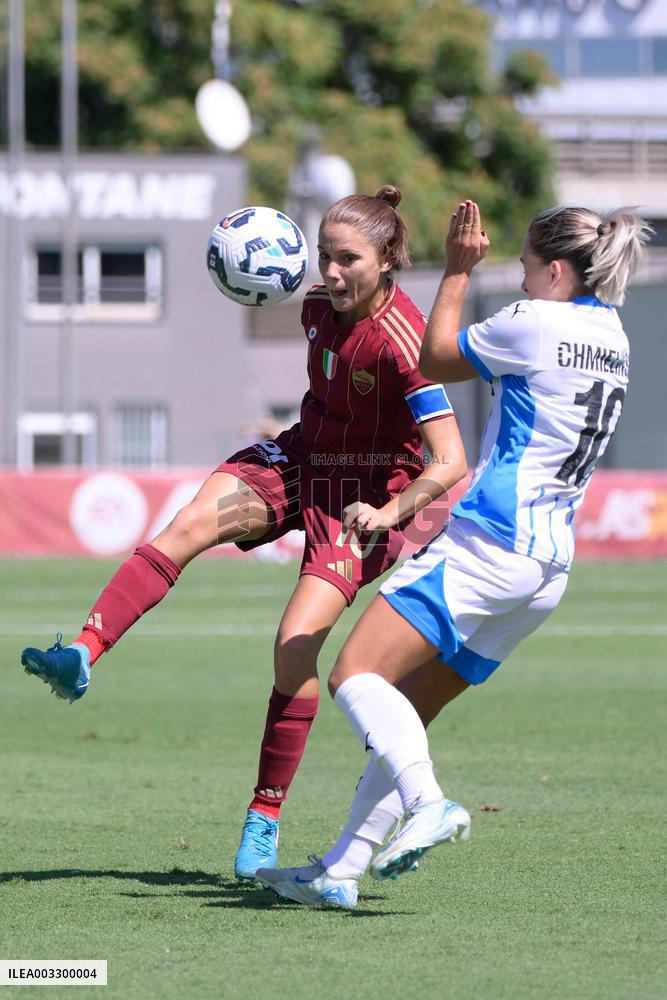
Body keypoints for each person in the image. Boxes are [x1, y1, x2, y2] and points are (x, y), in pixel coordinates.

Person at [20, 186, 468, 882]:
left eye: (348, 258)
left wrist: (390, 513)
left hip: (363, 500)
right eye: (323, 255)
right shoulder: (318, 306)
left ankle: (265, 814)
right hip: (299, 460)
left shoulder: (404, 343)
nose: (331, 271)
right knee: (190, 523)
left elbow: (451, 459)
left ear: (387, 261)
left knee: (293, 650)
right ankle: (81, 653)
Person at [256, 198, 652, 908]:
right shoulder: (614, 335)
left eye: (529, 270)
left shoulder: (535, 322)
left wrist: (459, 271)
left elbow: (433, 356)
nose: (524, 283)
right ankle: (341, 870)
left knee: (353, 674)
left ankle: (430, 803)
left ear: (556, 271)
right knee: (407, 706)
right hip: (546, 567)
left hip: (490, 540)